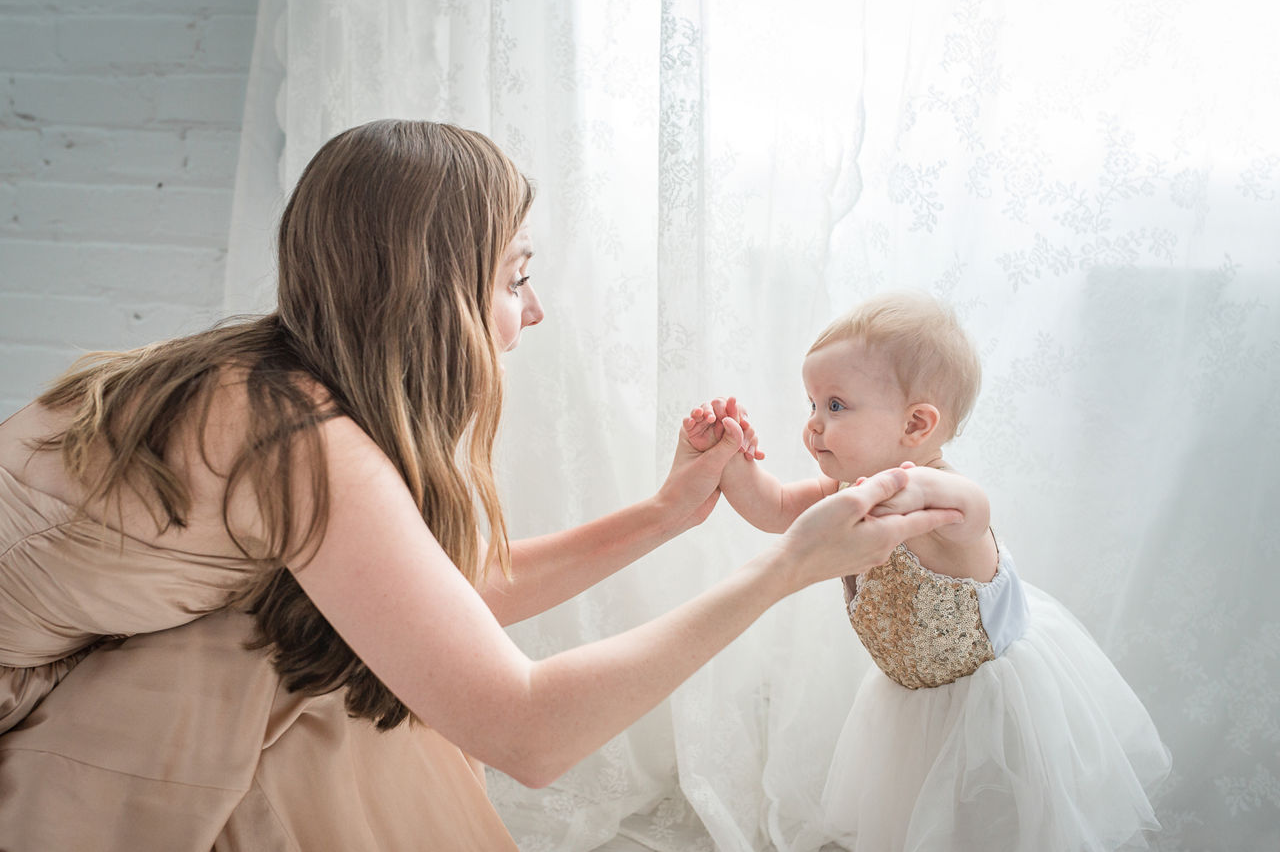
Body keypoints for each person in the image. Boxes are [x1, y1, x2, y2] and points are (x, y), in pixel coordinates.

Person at [0, 120, 964, 850]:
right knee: (347, 696)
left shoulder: (274, 381)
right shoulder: (295, 438)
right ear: (431, 288)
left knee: (357, 672)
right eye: (513, 277)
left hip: (69, 667)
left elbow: (430, 602)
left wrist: (668, 513)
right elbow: (529, 732)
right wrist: (786, 570)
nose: (531, 310)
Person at [683, 291, 1172, 851]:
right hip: (914, 702)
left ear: (917, 424)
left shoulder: (942, 501)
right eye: (812, 405)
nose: (814, 425)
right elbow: (773, 510)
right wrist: (732, 458)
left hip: (991, 711)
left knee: (997, 829)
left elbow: (974, 506)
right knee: (919, 826)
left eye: (836, 406)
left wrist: (909, 487)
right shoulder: (847, 488)